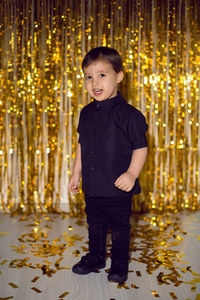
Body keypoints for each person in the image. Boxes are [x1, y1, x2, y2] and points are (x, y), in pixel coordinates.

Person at [68, 47, 148, 283]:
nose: (95, 82)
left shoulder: (129, 115)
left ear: (119, 76)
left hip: (117, 186)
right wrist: (75, 173)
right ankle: (96, 257)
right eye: (88, 77)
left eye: (102, 75)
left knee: (120, 227)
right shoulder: (86, 112)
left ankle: (119, 265)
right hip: (92, 186)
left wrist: (132, 174)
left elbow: (140, 147)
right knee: (94, 225)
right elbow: (82, 144)